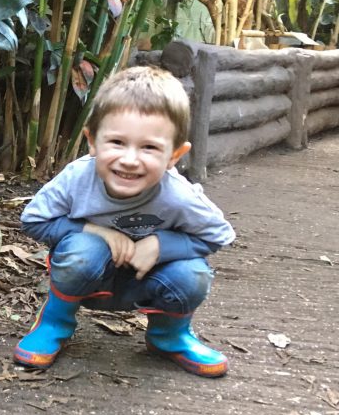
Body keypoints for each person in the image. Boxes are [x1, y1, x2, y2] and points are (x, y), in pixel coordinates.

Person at [15, 66, 235, 377]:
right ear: (92, 141)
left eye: (149, 147)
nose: (130, 159)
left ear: (174, 155)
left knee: (193, 274)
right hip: (90, 276)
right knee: (83, 250)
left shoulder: (179, 195)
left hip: (150, 278)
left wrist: (161, 245)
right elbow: (33, 220)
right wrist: (93, 230)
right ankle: (54, 323)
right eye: (117, 142)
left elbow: (219, 235)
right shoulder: (79, 178)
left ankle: (169, 337)